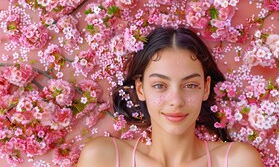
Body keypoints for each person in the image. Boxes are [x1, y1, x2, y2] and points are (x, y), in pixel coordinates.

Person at [77, 27, 264, 167]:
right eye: (160, 86)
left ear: (205, 88)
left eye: (190, 85)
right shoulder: (102, 158)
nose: (176, 101)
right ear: (140, 89)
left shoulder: (237, 161)